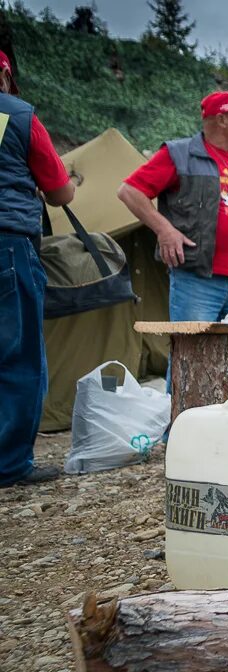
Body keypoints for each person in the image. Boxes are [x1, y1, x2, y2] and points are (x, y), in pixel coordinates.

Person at [118, 91, 228, 398]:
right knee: (191, 354)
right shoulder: (179, 154)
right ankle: (179, 434)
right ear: (221, 119)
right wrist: (165, 230)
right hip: (198, 278)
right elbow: (129, 191)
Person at [0, 49, 77, 487]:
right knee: (19, 356)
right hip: (8, 244)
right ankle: (9, 465)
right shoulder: (19, 115)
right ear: (6, 75)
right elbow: (60, 194)